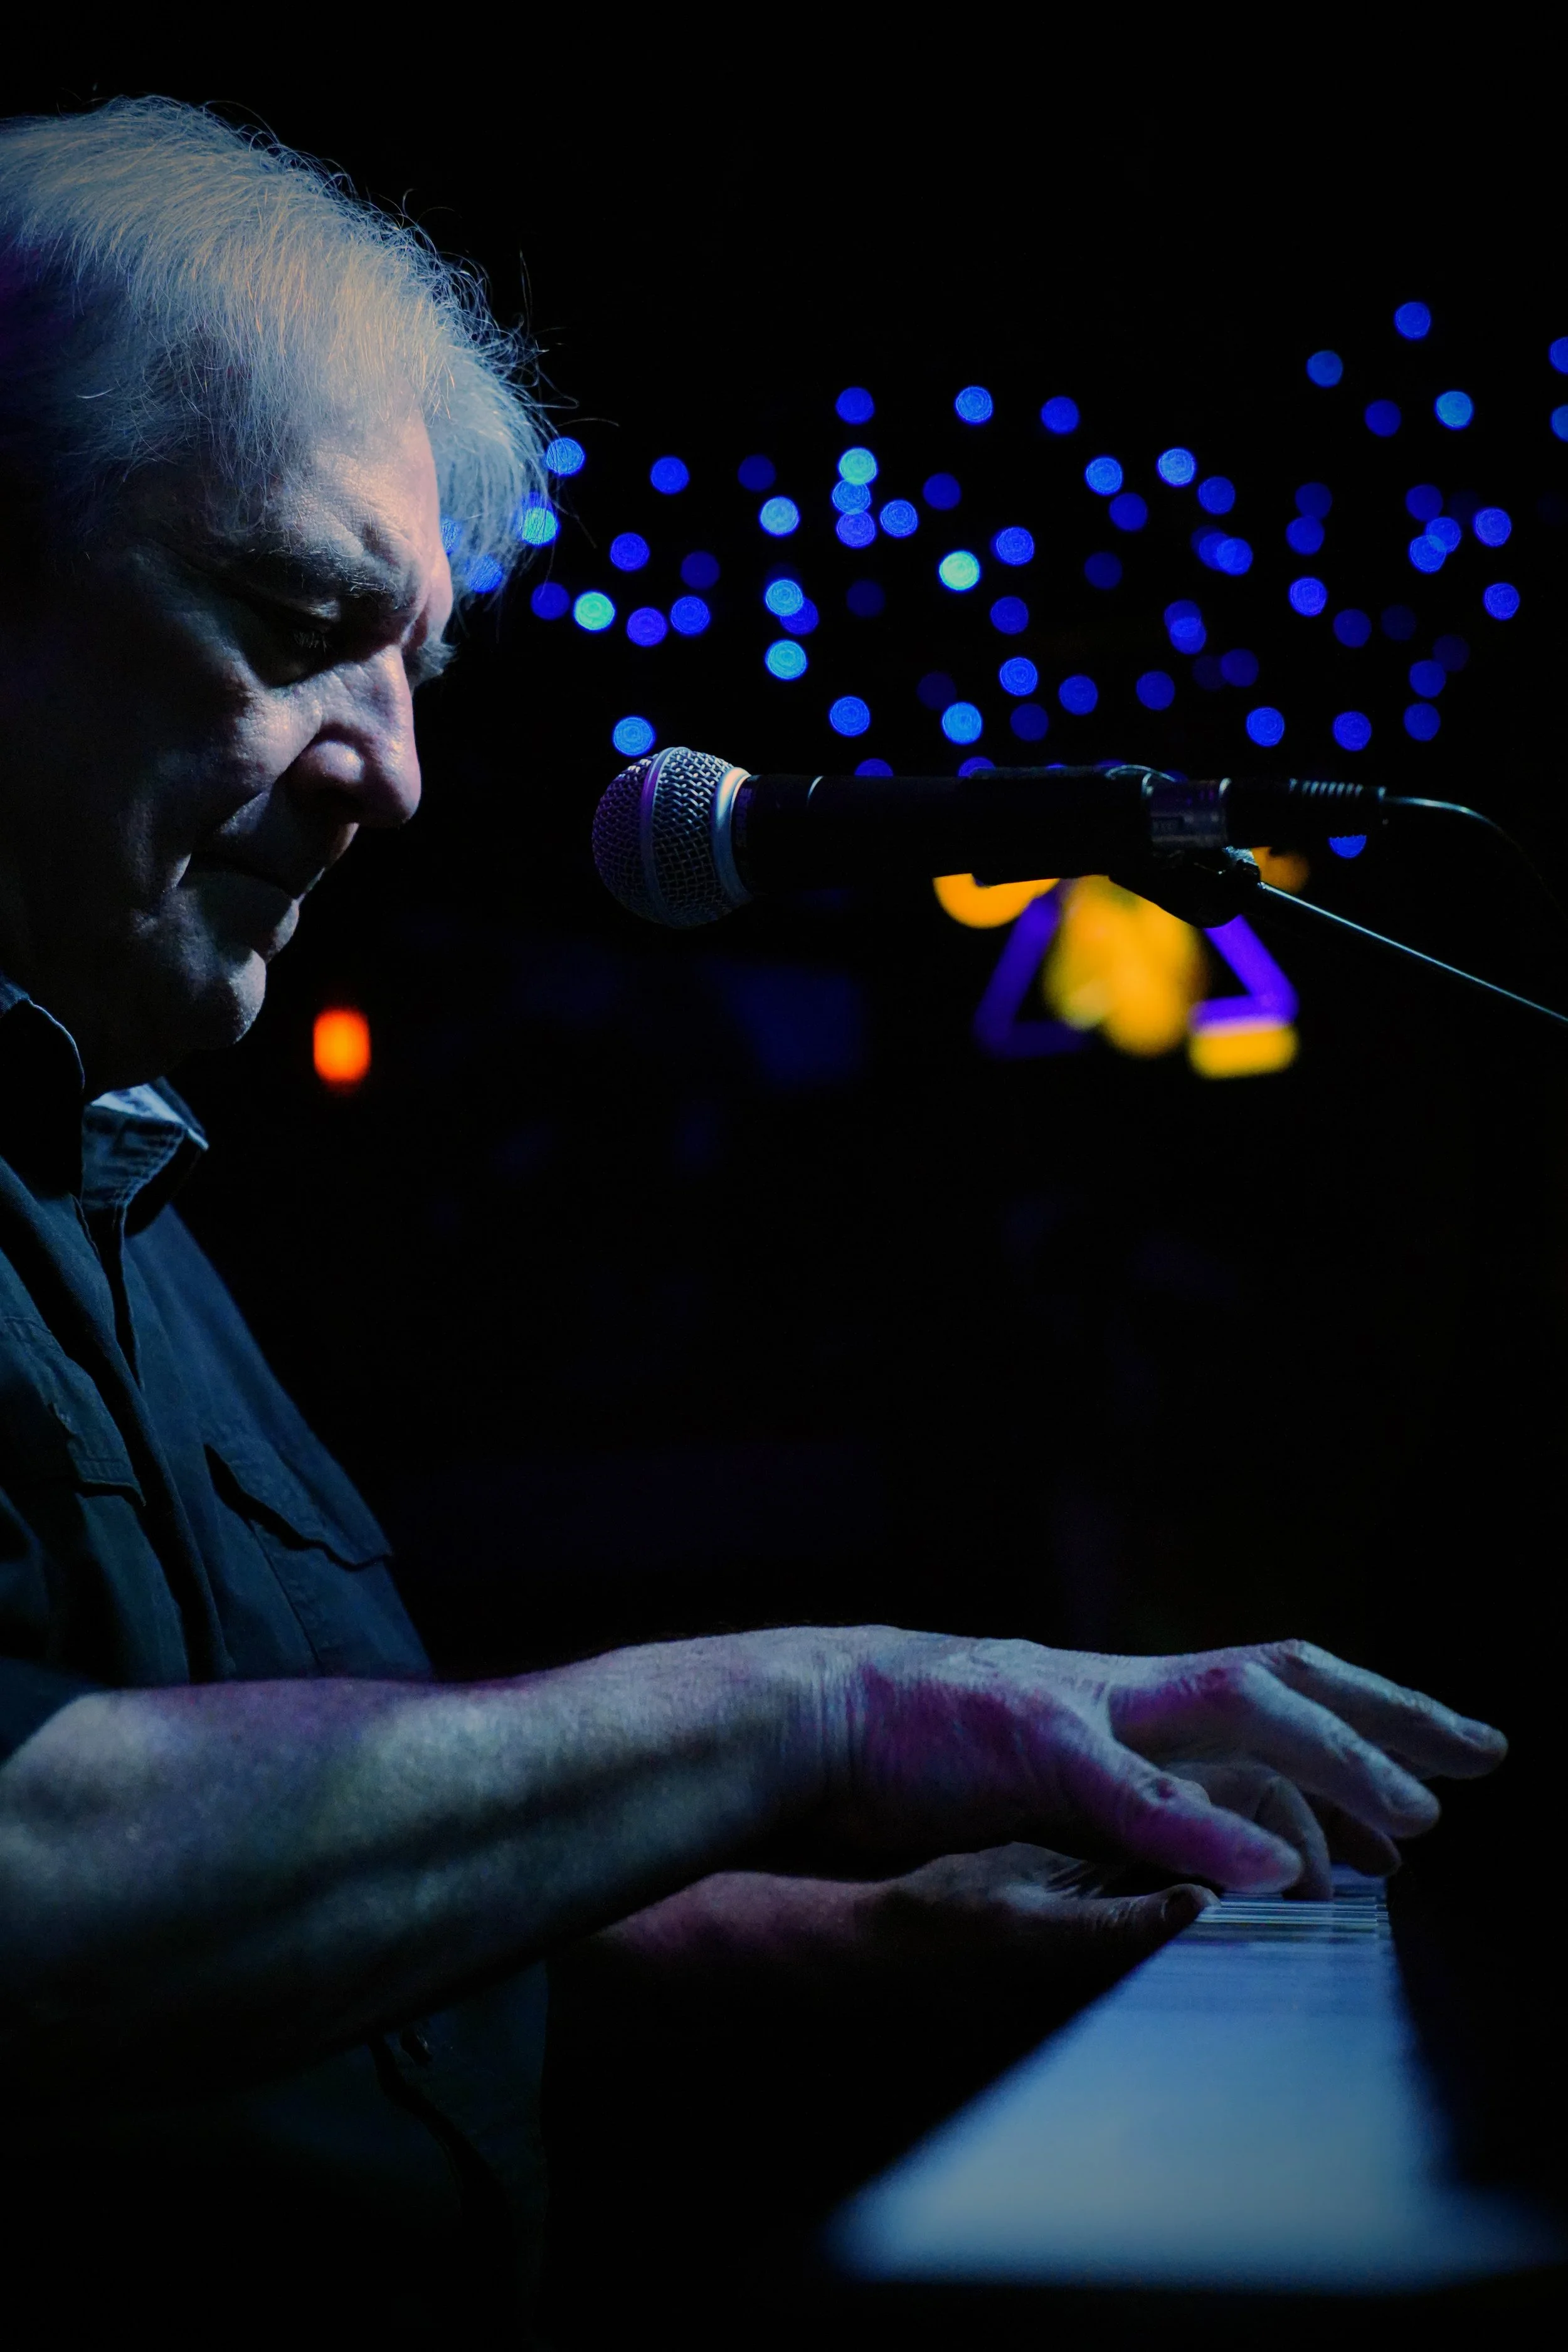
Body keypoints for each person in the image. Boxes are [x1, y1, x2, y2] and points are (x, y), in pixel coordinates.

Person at [0, 98, 1505, 2331]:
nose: (392, 770)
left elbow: (299, 1920)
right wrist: (808, 1706)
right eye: (299, 621)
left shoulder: (131, 1176)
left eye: (412, 664)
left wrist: (860, 1946)